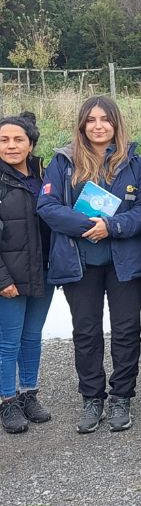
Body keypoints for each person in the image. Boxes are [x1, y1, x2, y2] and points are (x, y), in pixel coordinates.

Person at [39, 95, 141, 434]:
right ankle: (92, 397)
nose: (99, 125)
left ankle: (121, 397)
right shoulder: (63, 162)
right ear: (82, 125)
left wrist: (112, 227)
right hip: (79, 262)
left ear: (116, 123)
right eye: (91, 119)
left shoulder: (136, 163)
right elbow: (47, 206)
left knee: (126, 330)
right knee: (86, 333)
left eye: (105, 119)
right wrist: (89, 226)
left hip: (126, 263)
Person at [0, 114, 53, 434]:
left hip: (42, 272)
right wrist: (2, 279)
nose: (11, 146)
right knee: (8, 342)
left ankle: (29, 393)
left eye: (18, 139)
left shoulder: (43, 176)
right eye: (4, 140)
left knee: (32, 337)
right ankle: (7, 401)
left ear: (31, 144)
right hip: (9, 278)